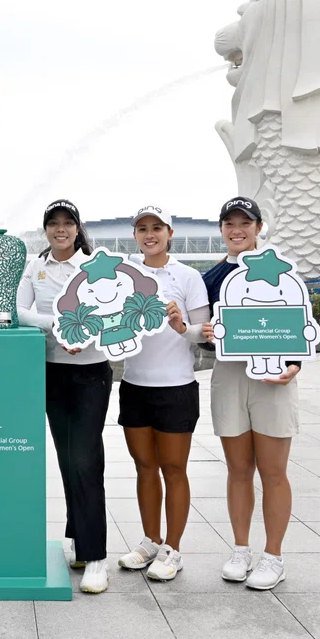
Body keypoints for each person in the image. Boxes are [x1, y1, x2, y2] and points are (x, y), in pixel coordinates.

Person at [199, 197, 301, 590]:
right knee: (238, 470)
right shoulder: (211, 278)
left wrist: (295, 364)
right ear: (221, 229)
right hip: (229, 377)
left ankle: (273, 555)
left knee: (274, 472)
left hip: (274, 378)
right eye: (229, 223)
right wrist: (206, 335)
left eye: (245, 222)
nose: (236, 229)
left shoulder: (281, 270)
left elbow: (298, 321)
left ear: (259, 227)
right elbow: (202, 331)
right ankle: (240, 549)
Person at [17, 199, 112, 594]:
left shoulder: (96, 267)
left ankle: (96, 557)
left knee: (86, 459)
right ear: (46, 230)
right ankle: (77, 538)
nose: (60, 229)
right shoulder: (34, 268)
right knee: (67, 457)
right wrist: (59, 327)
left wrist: (84, 331)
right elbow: (19, 311)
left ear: (77, 228)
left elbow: (111, 313)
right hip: (52, 371)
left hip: (92, 373)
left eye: (67, 223)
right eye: (53, 223)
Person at [116, 205, 208, 581]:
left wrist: (179, 324)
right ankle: (150, 541)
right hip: (134, 384)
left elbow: (203, 334)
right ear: (134, 235)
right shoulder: (125, 276)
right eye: (142, 229)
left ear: (169, 232)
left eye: (156, 228)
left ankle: (173, 548)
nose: (149, 234)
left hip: (176, 387)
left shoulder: (187, 277)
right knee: (144, 467)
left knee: (174, 469)